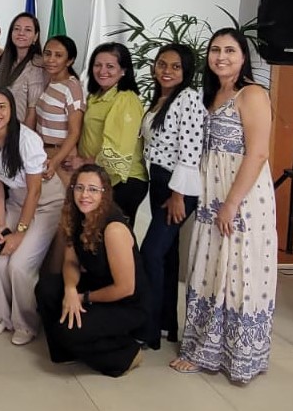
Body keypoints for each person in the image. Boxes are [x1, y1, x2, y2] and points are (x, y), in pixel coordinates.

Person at [170, 29, 277, 383]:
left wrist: (231, 204)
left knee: (237, 270)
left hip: (242, 198)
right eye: (215, 50)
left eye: (230, 50)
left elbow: (258, 153)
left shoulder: (253, 94)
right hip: (211, 195)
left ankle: (237, 354)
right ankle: (205, 347)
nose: (221, 57)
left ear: (243, 57)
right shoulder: (212, 94)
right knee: (211, 266)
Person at [36, 165, 147, 377]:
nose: (84, 195)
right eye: (80, 188)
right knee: (46, 288)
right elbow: (71, 261)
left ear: (104, 193)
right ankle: (67, 352)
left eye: (93, 189)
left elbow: (125, 288)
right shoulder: (76, 215)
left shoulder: (114, 229)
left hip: (124, 303)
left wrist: (83, 297)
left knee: (66, 332)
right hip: (94, 285)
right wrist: (70, 290)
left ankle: (127, 353)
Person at [0, 86, 65, 346]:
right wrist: (1, 225)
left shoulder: (27, 140)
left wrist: (19, 233)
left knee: (19, 265)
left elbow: (35, 191)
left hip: (46, 203)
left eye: (1, 107)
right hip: (16, 201)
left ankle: (26, 323)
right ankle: (1, 317)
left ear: (12, 109)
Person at [139, 44, 205, 350]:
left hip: (177, 186)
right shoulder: (160, 99)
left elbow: (190, 150)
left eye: (175, 66)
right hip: (159, 181)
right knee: (166, 255)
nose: (167, 71)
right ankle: (167, 324)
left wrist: (178, 194)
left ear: (186, 71)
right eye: (162, 64)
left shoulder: (188, 98)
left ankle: (148, 330)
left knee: (150, 253)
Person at [67, 43, 148, 226]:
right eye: (97, 65)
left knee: (112, 237)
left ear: (123, 70)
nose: (102, 71)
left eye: (110, 66)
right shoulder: (95, 96)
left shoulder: (125, 99)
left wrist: (83, 162)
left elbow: (117, 153)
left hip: (123, 183)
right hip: (99, 179)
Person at [36, 36, 84, 186]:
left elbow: (74, 132)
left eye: (58, 55)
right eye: (47, 53)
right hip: (45, 152)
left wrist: (56, 161)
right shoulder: (51, 81)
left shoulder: (72, 87)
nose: (51, 59)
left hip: (62, 157)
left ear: (69, 61)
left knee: (65, 199)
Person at [0, 12, 47, 129]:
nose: (21, 33)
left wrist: (24, 136)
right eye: (17, 29)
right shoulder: (7, 62)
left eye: (28, 30)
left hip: (21, 132)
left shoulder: (36, 66)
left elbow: (33, 111)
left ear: (36, 36)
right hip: (2, 129)